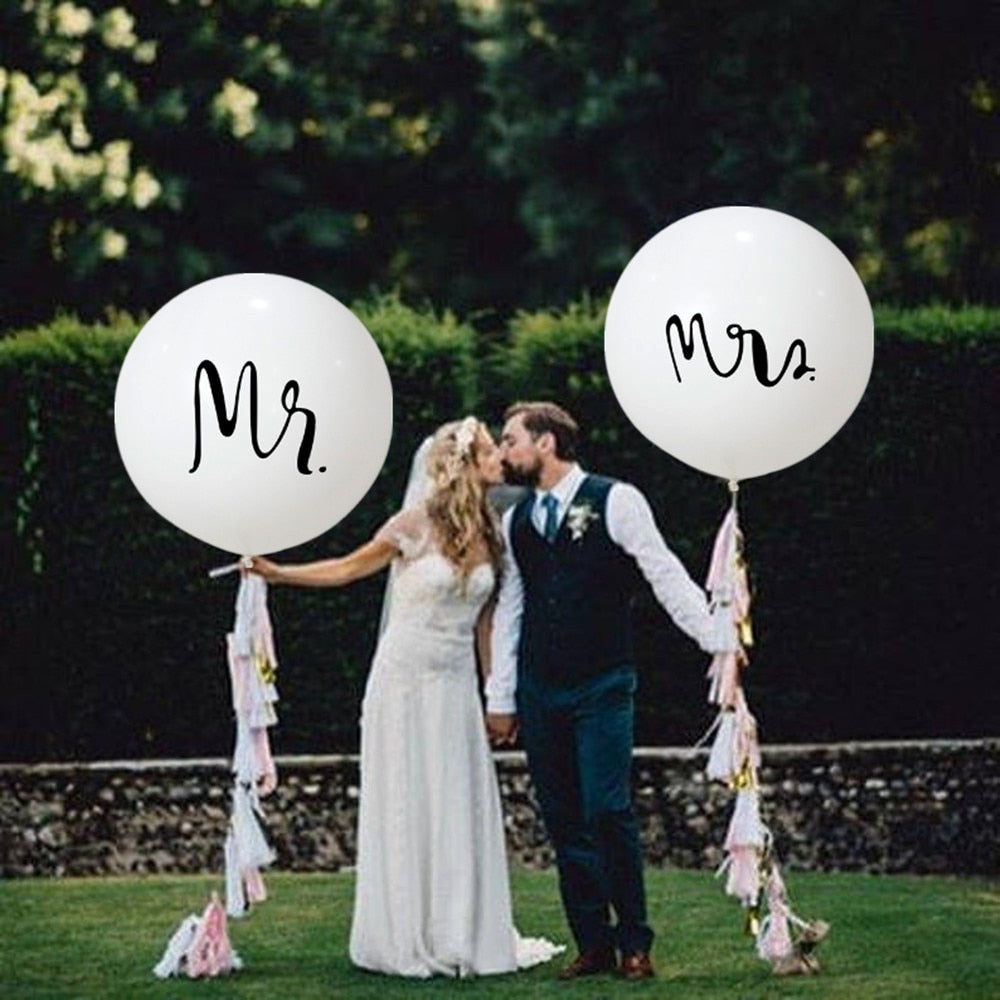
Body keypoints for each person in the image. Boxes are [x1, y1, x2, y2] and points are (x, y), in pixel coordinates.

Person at [248, 416, 561, 978]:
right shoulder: (414, 523)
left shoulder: (492, 530)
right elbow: (347, 568)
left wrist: (498, 696)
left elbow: (487, 625)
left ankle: (460, 929)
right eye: (491, 452)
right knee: (408, 797)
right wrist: (277, 573)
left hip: (456, 685)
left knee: (456, 799)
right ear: (467, 463)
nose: (500, 460)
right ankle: (405, 934)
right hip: (405, 679)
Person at [485, 401, 729, 982]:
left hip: (603, 683)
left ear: (546, 443)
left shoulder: (617, 499)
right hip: (541, 691)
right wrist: (501, 698)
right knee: (563, 820)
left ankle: (635, 941)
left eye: (511, 439)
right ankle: (592, 944)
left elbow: (663, 572)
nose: (503, 451)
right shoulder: (515, 520)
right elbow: (511, 608)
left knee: (607, 809)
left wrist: (716, 640)